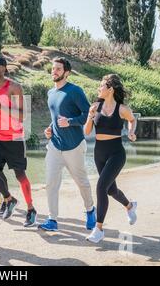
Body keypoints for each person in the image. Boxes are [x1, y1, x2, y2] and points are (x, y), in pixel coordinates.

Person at [39, 57, 96, 232]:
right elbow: (55, 118)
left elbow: (88, 114)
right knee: (50, 183)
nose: (54, 71)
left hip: (74, 146)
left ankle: (90, 210)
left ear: (67, 73)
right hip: (55, 145)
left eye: (58, 69)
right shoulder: (50, 93)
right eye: (53, 68)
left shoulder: (74, 91)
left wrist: (70, 121)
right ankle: (52, 219)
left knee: (82, 182)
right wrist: (50, 129)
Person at [84, 74, 138, 243]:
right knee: (110, 190)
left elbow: (132, 119)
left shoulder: (122, 109)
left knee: (101, 186)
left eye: (101, 86)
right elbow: (86, 132)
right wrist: (90, 116)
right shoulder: (94, 106)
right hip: (99, 153)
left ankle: (98, 229)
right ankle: (129, 205)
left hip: (116, 153)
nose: (99, 88)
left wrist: (131, 131)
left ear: (110, 89)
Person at [0, 56, 38, 227]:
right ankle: (9, 199)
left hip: (14, 138)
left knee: (20, 175)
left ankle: (31, 209)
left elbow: (22, 115)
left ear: (3, 68)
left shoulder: (14, 87)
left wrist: (1, 108)